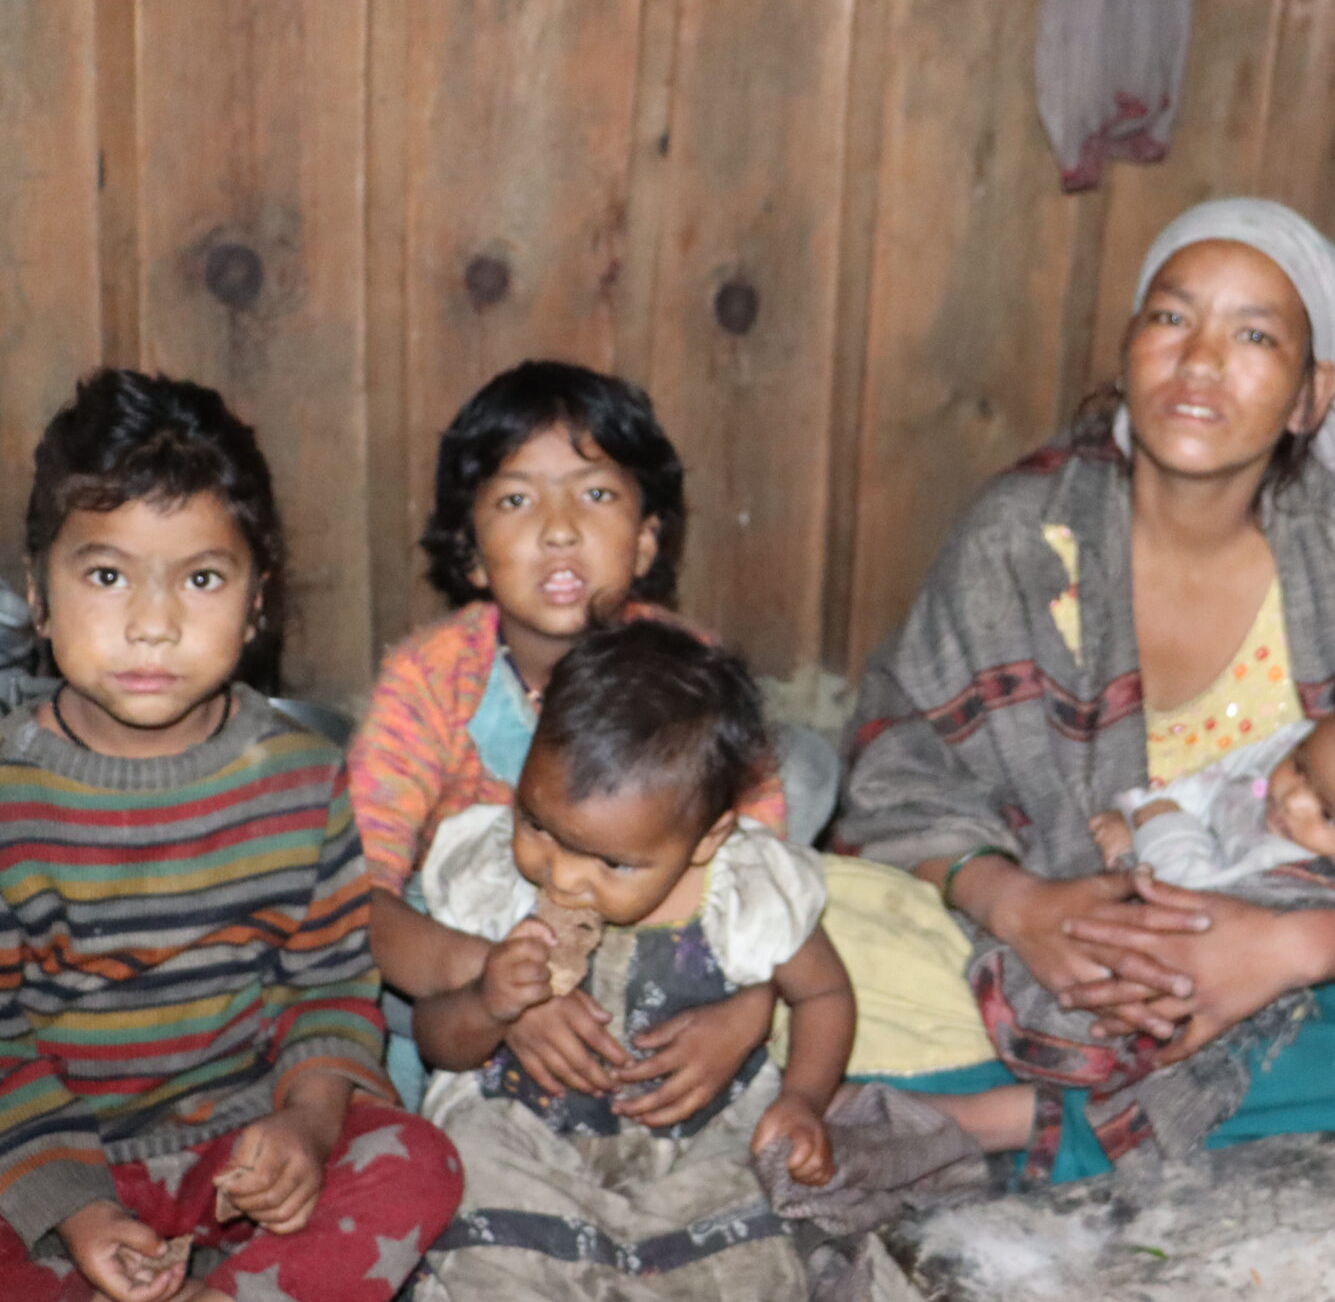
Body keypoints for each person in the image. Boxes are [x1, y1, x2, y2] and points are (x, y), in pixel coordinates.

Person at [838, 197, 1335, 1182]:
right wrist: (1021, 905)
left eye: (1254, 335)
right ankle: (1132, 1107)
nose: (1200, 359)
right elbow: (895, 775)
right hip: (1037, 940)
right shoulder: (1023, 536)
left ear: (1310, 396)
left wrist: (1290, 950)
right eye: (1171, 316)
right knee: (810, 943)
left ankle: (1013, 1120)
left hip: (1266, 967)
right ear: (1128, 353)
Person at [0, 370, 462, 1302]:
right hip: (61, 1155)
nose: (154, 623)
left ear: (258, 601)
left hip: (244, 1146)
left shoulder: (300, 780)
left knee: (419, 1166)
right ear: (37, 595)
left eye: (202, 579)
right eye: (108, 574)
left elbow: (328, 987)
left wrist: (306, 1127)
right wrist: (76, 1215)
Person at [356, 362, 988, 1115]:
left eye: (596, 494)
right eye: (517, 499)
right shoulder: (429, 678)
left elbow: (751, 877)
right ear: (470, 550)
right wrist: (501, 986)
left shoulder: (688, 671)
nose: (559, 530)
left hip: (670, 952)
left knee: (802, 768)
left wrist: (748, 1011)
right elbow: (360, 897)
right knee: (381, 1007)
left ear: (646, 540)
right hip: (475, 956)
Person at [401, 620, 854, 1302]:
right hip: (528, 1137)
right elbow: (439, 1042)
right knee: (484, 1228)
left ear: (707, 837)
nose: (563, 875)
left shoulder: (745, 889)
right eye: (538, 825)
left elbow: (824, 995)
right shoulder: (496, 878)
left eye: (611, 863)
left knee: (730, 1275)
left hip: (691, 1144)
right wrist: (488, 1003)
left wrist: (804, 1098)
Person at [1097, 684, 1335, 892]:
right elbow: (1219, 776)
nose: (1294, 799)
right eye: (1300, 768)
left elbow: (1193, 897)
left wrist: (1159, 824)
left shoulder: (1295, 870)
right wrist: (1141, 809)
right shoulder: (1299, 745)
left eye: (1328, 815)